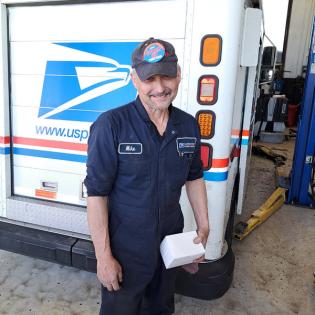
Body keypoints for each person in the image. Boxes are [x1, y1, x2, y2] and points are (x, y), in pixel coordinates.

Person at [84, 37, 209, 315]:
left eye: (167, 76)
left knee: (161, 309)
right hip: (125, 249)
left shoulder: (188, 125)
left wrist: (203, 229)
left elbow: (194, 177)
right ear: (134, 79)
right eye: (150, 78)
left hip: (169, 245)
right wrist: (103, 257)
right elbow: (96, 195)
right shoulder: (111, 125)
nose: (160, 87)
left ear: (178, 75)